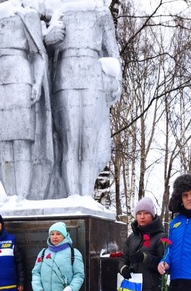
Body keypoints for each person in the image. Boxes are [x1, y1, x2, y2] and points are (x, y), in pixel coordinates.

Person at [44, 0, 121, 198]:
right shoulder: (59, 12)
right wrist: (49, 39)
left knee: (88, 140)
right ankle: (71, 196)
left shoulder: (101, 12)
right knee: (69, 141)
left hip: (92, 76)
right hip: (65, 76)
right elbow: (44, 51)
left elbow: (112, 52)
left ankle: (85, 195)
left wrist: (115, 80)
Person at [0, 0, 53, 200]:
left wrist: (37, 83)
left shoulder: (27, 15)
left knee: (21, 141)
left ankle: (23, 195)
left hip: (21, 77)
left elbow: (38, 55)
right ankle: (11, 195)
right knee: (4, 143)